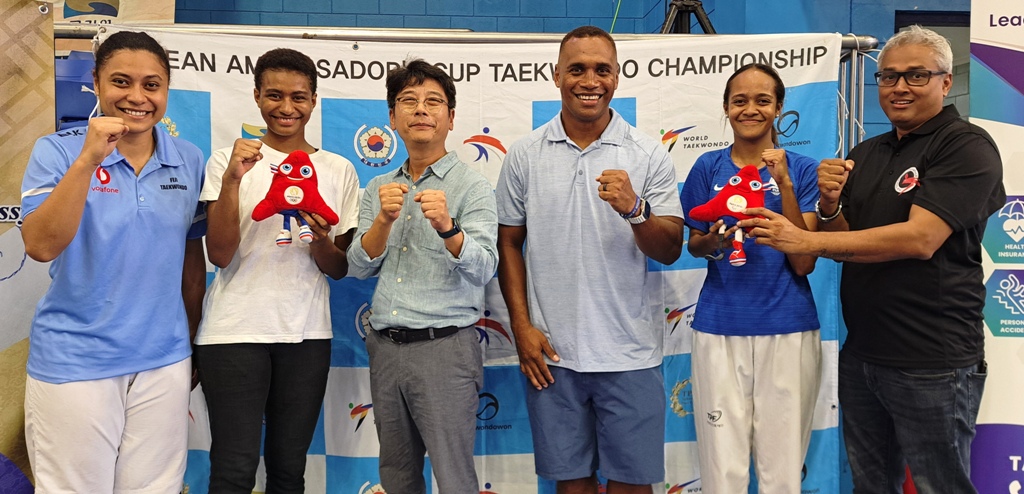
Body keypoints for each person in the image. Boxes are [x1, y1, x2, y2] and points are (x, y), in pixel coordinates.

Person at [739, 25, 1004, 493]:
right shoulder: (868, 152)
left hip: (932, 360)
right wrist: (828, 206)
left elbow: (920, 239)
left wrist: (807, 242)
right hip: (863, 355)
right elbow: (850, 242)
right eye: (888, 77)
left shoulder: (965, 145)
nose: (899, 87)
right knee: (870, 485)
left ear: (945, 82)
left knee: (940, 485)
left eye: (916, 75)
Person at [495, 26, 684, 493]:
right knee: (570, 484)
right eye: (577, 69)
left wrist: (636, 209)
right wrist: (521, 326)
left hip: (629, 353)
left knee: (632, 485)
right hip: (553, 352)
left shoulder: (647, 153)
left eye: (602, 69)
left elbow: (671, 247)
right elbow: (508, 244)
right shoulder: (524, 155)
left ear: (617, 78)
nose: (589, 80)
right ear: (556, 75)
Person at [20, 30, 206, 493]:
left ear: (166, 90)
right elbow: (41, 246)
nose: (137, 97)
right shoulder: (58, 151)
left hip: (163, 359)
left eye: (152, 84)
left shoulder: (188, 158)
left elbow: (191, 257)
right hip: (76, 358)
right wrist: (89, 158)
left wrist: (192, 338)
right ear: (97, 84)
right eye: (121, 82)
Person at [195, 48, 359, 494]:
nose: (287, 108)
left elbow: (338, 268)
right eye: (274, 95)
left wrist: (322, 240)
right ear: (255, 96)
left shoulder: (338, 170)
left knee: (289, 472)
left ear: (314, 100)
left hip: (306, 335)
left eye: (299, 97)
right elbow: (221, 255)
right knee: (233, 469)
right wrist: (232, 179)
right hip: (233, 334)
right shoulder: (226, 162)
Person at [346, 59, 497, 493]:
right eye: (408, 101)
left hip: (445, 349)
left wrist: (450, 228)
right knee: (396, 475)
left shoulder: (473, 187)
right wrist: (382, 223)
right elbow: (357, 266)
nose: (421, 110)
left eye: (434, 102)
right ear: (392, 119)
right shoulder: (379, 187)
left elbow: (486, 267)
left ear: (451, 117)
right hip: (386, 347)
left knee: (453, 476)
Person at [679, 63, 822, 493]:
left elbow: (805, 262)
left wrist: (786, 186)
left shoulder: (802, 168)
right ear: (726, 108)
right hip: (720, 327)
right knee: (723, 470)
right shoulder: (707, 166)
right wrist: (716, 243)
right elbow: (694, 244)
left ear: (778, 107)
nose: (750, 109)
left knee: (782, 472)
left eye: (762, 100)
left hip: (789, 328)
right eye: (740, 100)